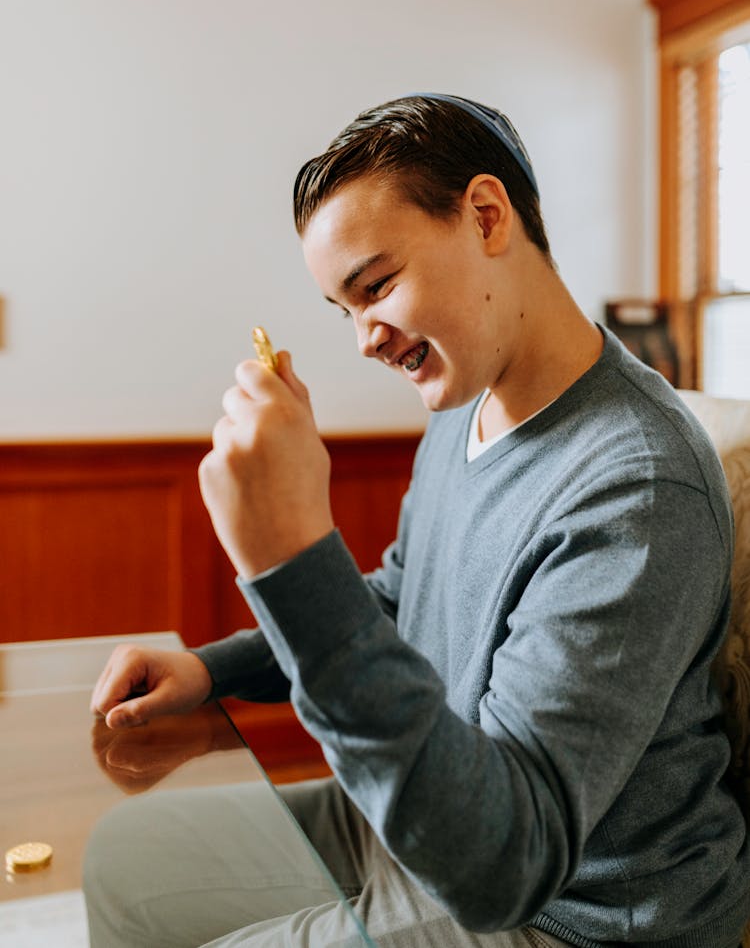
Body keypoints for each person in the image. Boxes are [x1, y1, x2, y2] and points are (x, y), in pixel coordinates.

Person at [85, 94, 750, 947]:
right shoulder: (462, 404)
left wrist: (291, 557)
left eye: (377, 285)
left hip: (568, 911)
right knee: (121, 861)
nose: (364, 336)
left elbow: (506, 861)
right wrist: (211, 670)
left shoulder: (636, 486)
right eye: (343, 307)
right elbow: (403, 598)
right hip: (427, 811)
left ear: (484, 215)